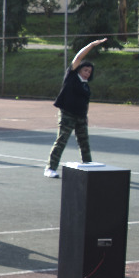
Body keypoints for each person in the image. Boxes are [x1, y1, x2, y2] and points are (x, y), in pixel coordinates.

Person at [45, 38, 107, 178]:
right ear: (79, 69)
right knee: (62, 140)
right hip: (67, 114)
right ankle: (50, 168)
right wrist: (91, 45)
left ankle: (88, 166)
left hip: (80, 116)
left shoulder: (85, 85)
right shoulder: (71, 76)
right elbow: (78, 57)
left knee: (84, 143)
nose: (87, 73)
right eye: (85, 70)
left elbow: (84, 103)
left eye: (89, 72)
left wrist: (85, 117)